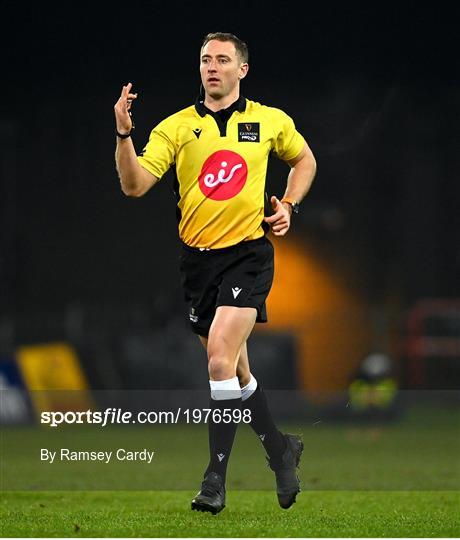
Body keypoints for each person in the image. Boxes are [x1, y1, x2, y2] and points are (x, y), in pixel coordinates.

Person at [114, 32, 317, 514]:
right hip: (198, 265)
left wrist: (288, 204)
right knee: (237, 373)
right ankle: (279, 449)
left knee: (220, 360)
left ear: (241, 70)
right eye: (206, 59)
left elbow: (304, 160)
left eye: (223, 59)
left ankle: (214, 482)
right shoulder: (178, 127)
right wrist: (124, 136)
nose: (212, 67)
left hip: (247, 255)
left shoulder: (268, 121)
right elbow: (135, 185)